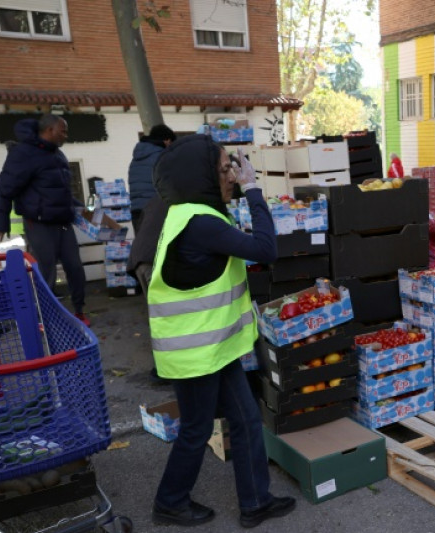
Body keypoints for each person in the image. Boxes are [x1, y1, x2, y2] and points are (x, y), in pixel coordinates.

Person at [147, 134, 294, 528]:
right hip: (195, 354)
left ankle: (255, 502)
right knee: (196, 429)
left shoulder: (188, 212)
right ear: (202, 175)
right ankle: (169, 501)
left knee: (246, 420)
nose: (232, 173)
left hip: (216, 346)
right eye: (226, 167)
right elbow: (266, 249)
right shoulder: (199, 222)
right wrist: (254, 190)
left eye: (232, 167)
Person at [0, 115, 90, 326]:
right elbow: (4, 188)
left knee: (75, 267)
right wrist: (0, 222)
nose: (66, 135)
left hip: (63, 221)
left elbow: (60, 191)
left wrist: (84, 209)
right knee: (47, 270)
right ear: (49, 130)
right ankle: (46, 317)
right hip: (39, 222)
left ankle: (79, 311)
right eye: (63, 130)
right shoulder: (23, 154)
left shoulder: (58, 154)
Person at [126, 192, 169, 384]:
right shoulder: (185, 198)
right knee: (165, 316)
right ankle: (164, 370)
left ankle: (163, 367)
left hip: (140, 259)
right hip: (154, 260)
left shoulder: (157, 198)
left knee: (157, 315)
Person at [128, 124, 176, 233]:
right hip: (155, 211)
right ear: (167, 141)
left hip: (136, 212)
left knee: (143, 247)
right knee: (159, 248)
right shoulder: (162, 157)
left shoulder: (136, 159)